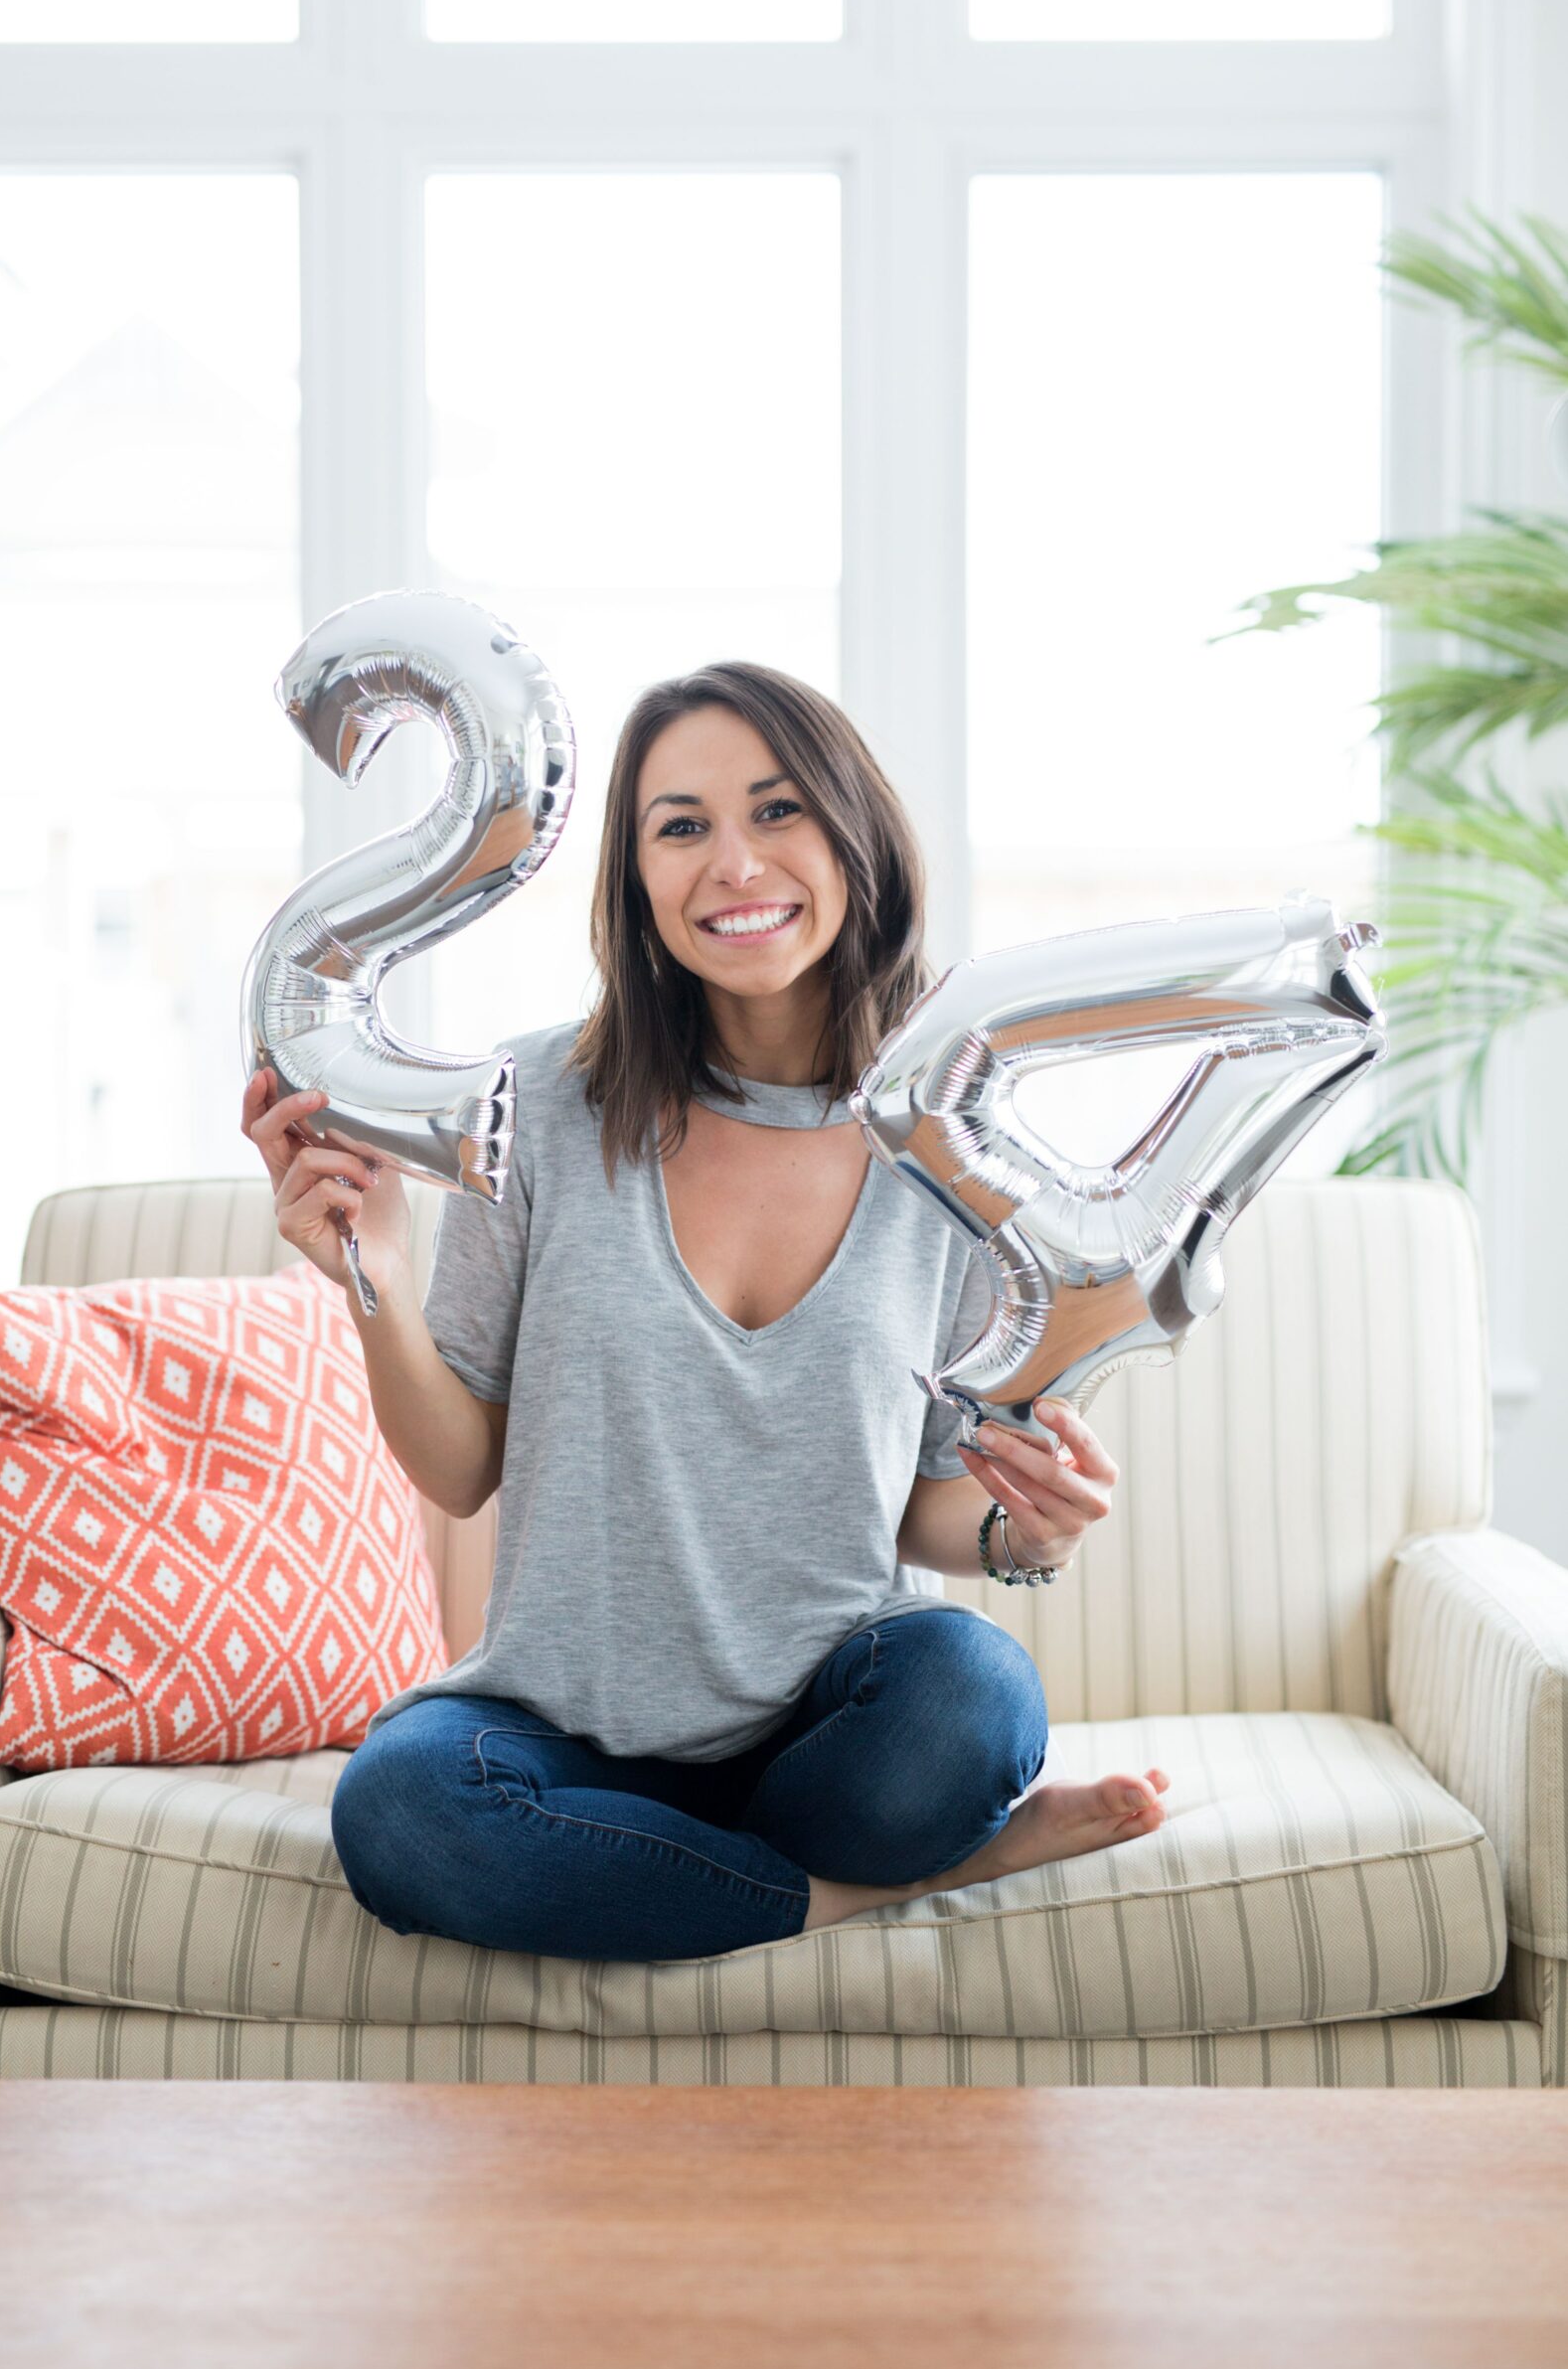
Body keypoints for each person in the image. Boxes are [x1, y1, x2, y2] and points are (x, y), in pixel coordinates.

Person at [240, 662, 1169, 1965]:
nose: (733, 862)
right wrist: (370, 1264)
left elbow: (929, 1509)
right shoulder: (534, 1106)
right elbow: (459, 1471)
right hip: (557, 1734)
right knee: (404, 1811)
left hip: (832, 1736)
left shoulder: (953, 1146)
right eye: (680, 827)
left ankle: (680, 1881)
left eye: (777, 811)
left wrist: (1029, 1528)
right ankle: (863, 1895)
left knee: (976, 1700)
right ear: (635, 882)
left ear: (856, 838)